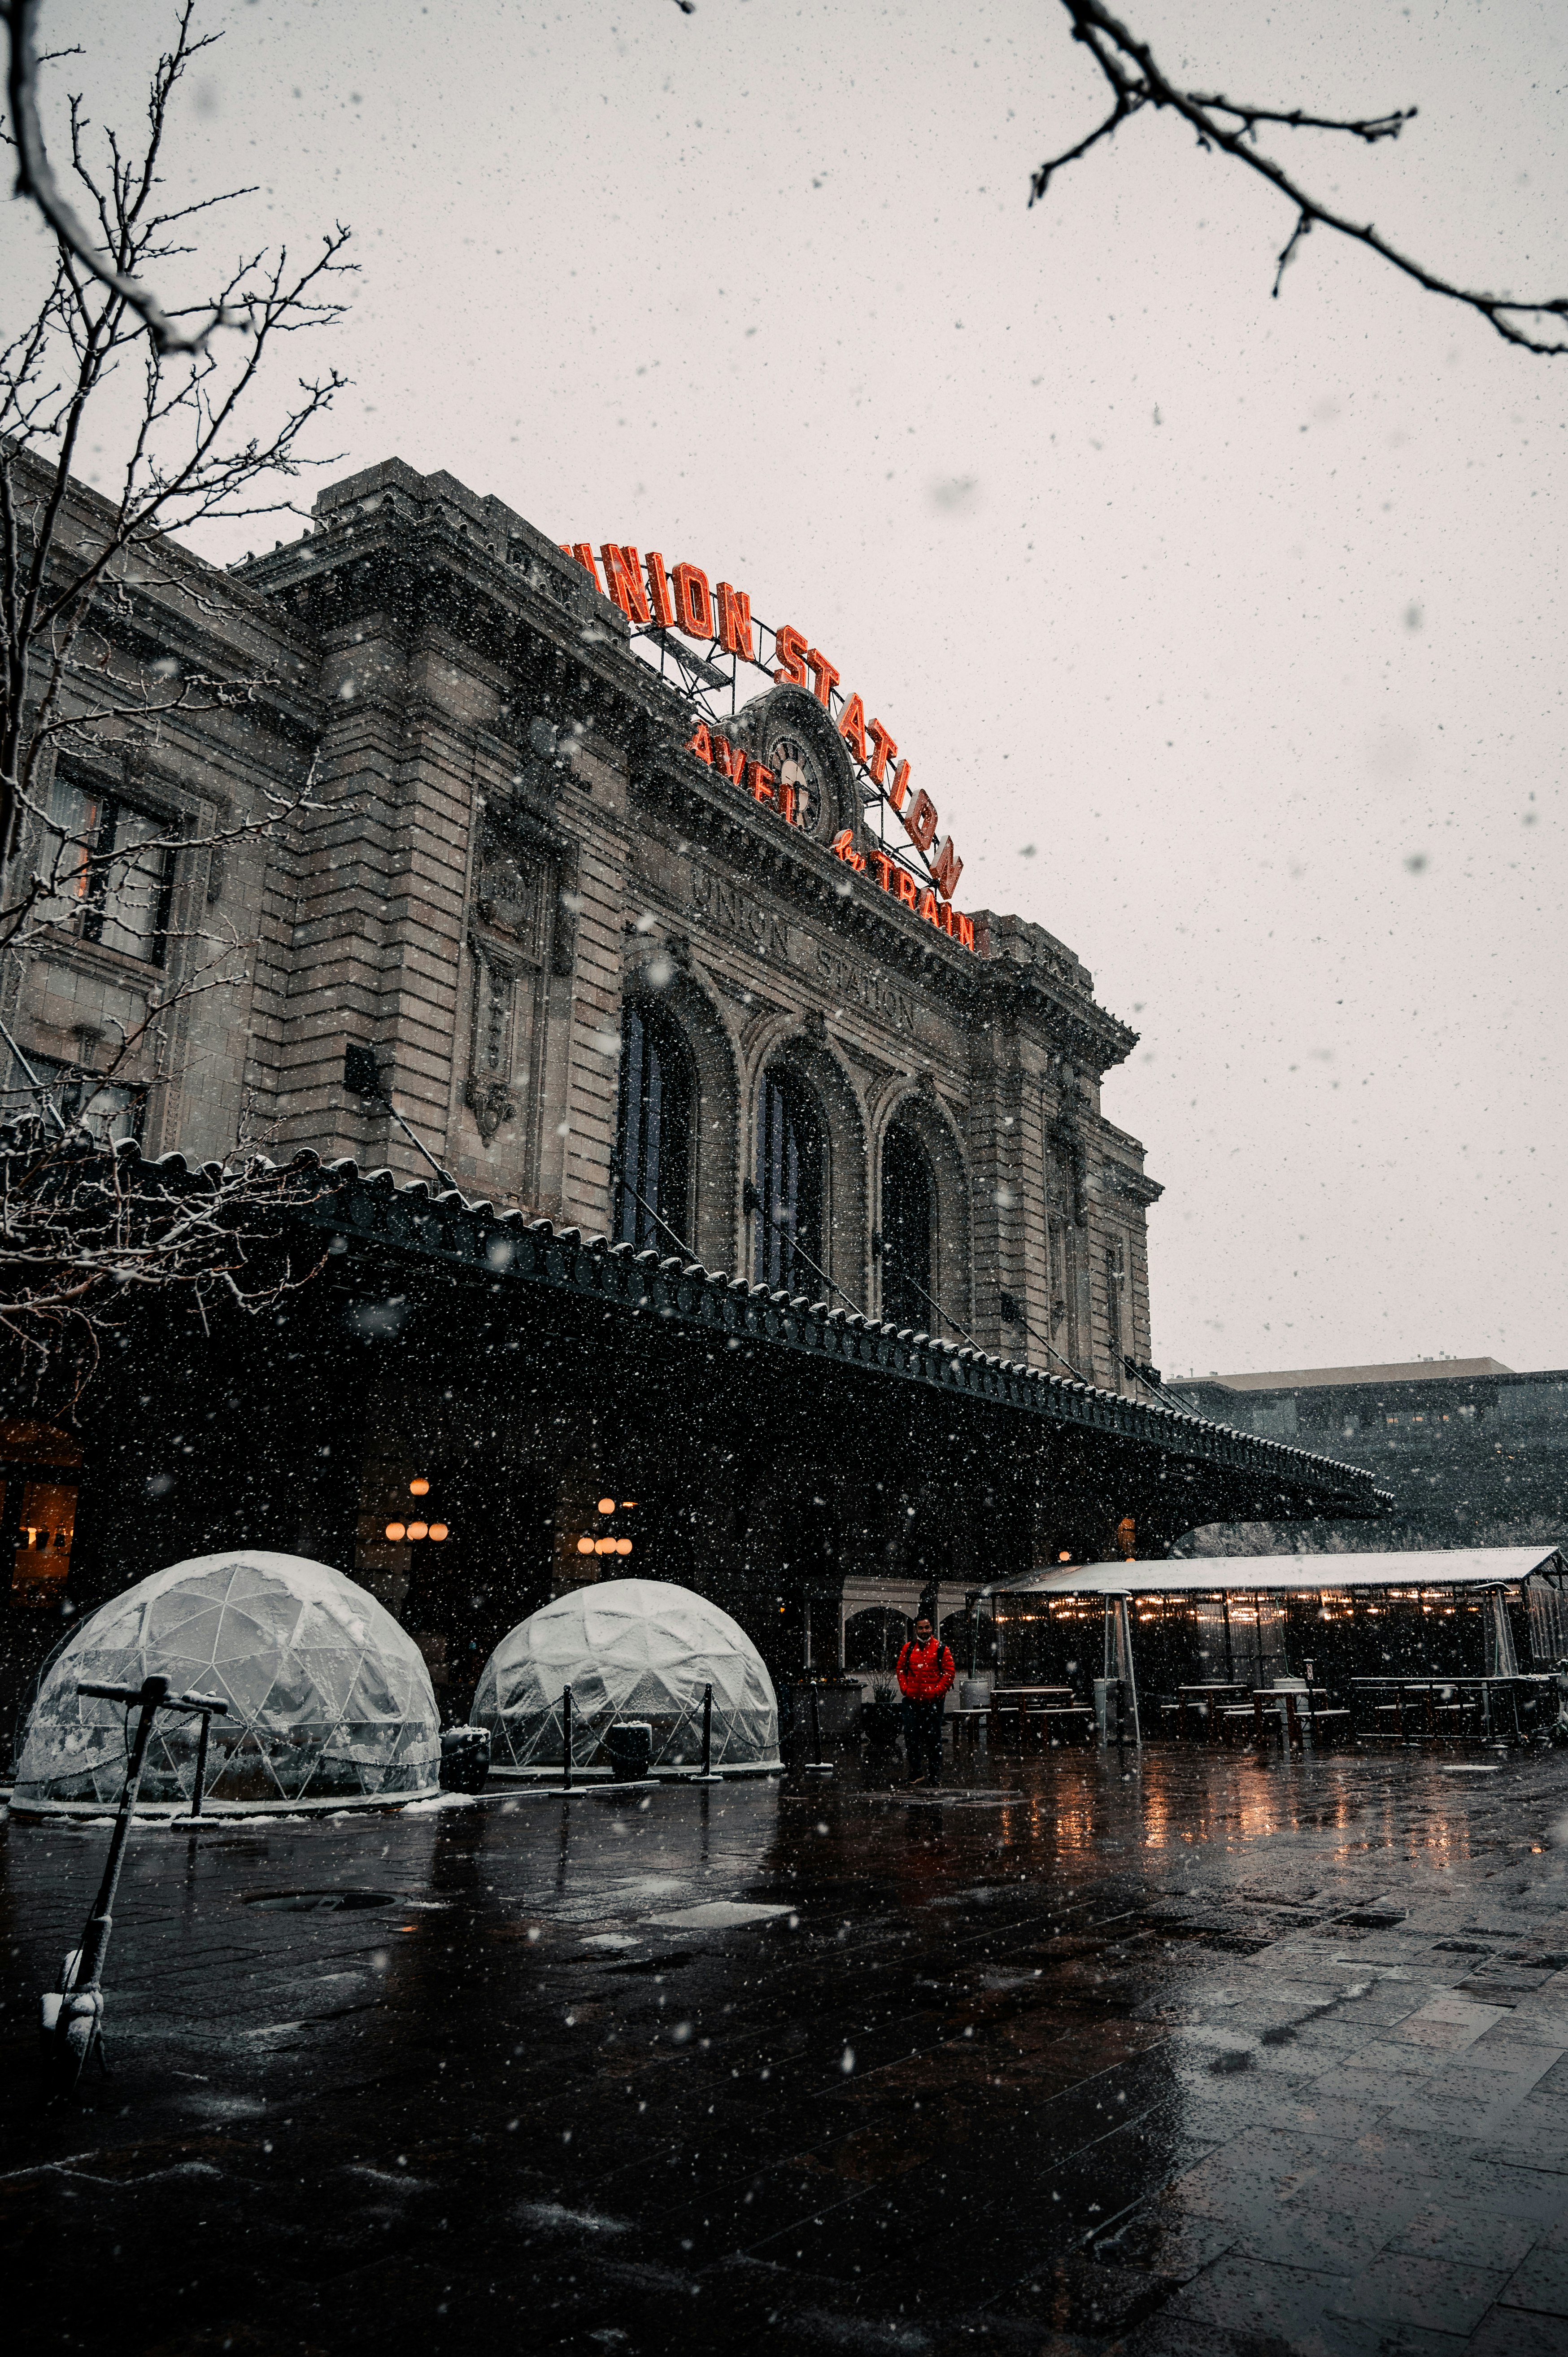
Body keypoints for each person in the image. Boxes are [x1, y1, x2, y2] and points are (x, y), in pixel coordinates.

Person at [896, 1614, 955, 1784]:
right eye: (921, 1628)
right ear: (916, 1629)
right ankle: (916, 1772)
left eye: (927, 1628)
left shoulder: (941, 1649)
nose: (924, 1631)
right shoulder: (908, 1649)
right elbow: (901, 1669)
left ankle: (934, 1774)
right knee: (911, 1737)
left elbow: (949, 1673)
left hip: (934, 1701)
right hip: (912, 1700)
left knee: (934, 1739)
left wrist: (936, 1693)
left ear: (931, 1628)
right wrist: (907, 1690)